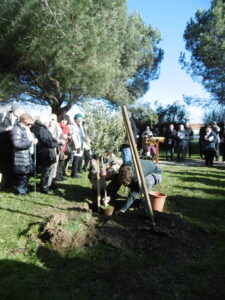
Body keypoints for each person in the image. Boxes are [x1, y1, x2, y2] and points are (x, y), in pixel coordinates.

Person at [31, 115, 59, 193]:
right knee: (47, 171)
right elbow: (47, 141)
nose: (50, 122)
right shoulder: (41, 128)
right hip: (46, 152)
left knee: (46, 171)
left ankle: (45, 186)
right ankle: (44, 188)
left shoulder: (36, 127)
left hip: (41, 151)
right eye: (48, 120)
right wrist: (57, 144)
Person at [11, 114, 37, 195]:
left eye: (31, 124)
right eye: (29, 124)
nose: (30, 126)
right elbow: (17, 143)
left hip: (26, 155)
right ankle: (21, 192)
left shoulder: (24, 129)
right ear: (24, 122)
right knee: (22, 175)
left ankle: (24, 189)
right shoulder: (17, 129)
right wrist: (31, 142)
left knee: (25, 174)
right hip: (20, 156)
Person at [0, 103, 24, 189]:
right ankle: (2, 184)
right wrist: (6, 129)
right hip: (2, 145)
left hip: (12, 146)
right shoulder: (2, 116)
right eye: (18, 110)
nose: (19, 112)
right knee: (2, 165)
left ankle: (8, 184)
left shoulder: (18, 120)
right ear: (13, 110)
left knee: (10, 165)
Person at [70, 113, 85, 178]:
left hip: (81, 145)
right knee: (76, 160)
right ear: (75, 119)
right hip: (77, 145)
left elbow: (83, 136)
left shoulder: (80, 126)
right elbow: (73, 137)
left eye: (81, 119)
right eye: (78, 119)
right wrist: (77, 146)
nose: (80, 121)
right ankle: (74, 174)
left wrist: (81, 126)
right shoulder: (73, 126)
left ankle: (74, 173)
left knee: (78, 159)